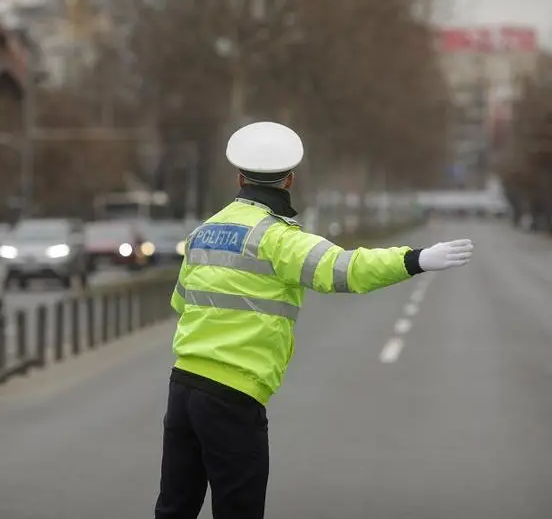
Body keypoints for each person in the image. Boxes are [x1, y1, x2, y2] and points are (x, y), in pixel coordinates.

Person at [154, 121, 474, 519]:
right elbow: (346, 270)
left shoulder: (204, 232)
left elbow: (181, 303)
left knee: (174, 508)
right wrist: (417, 259)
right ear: (289, 179)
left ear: (238, 177)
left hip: (182, 388)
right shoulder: (278, 239)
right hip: (233, 398)